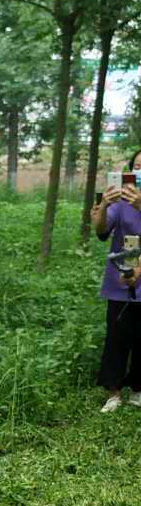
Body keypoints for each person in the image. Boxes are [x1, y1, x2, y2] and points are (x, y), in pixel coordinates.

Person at [92, 148, 141, 413]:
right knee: (118, 336)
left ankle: (138, 389)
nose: (140, 173)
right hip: (121, 277)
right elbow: (101, 231)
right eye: (136, 168)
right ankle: (114, 392)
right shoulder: (120, 202)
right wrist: (105, 206)